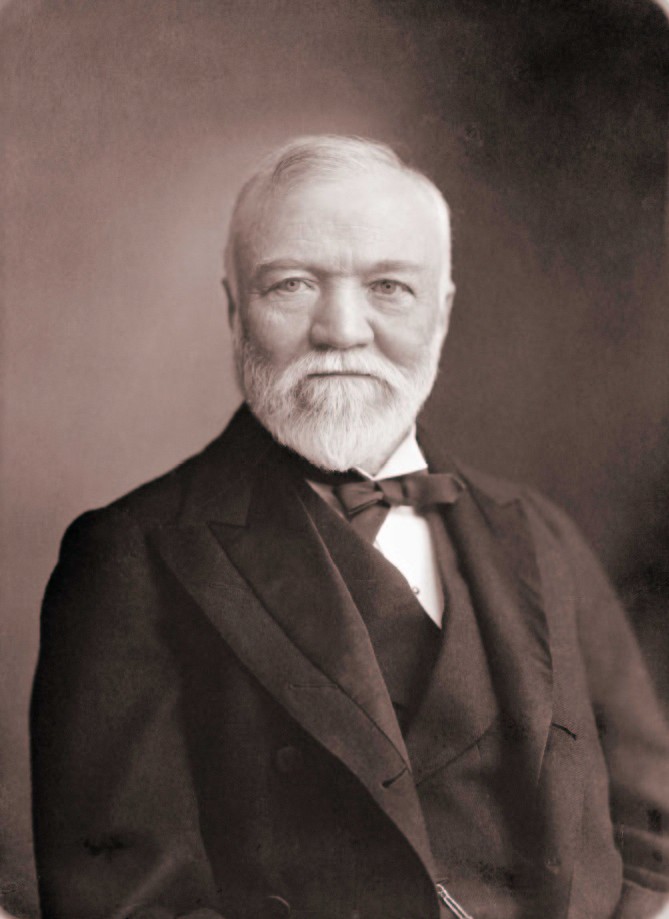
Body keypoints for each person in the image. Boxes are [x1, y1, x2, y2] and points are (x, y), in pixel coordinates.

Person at [30, 135, 669, 919]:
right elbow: (124, 899)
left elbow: (652, 828)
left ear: (441, 312)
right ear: (235, 310)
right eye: (291, 284)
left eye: (389, 287)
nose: (341, 329)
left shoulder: (539, 532)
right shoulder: (131, 553)